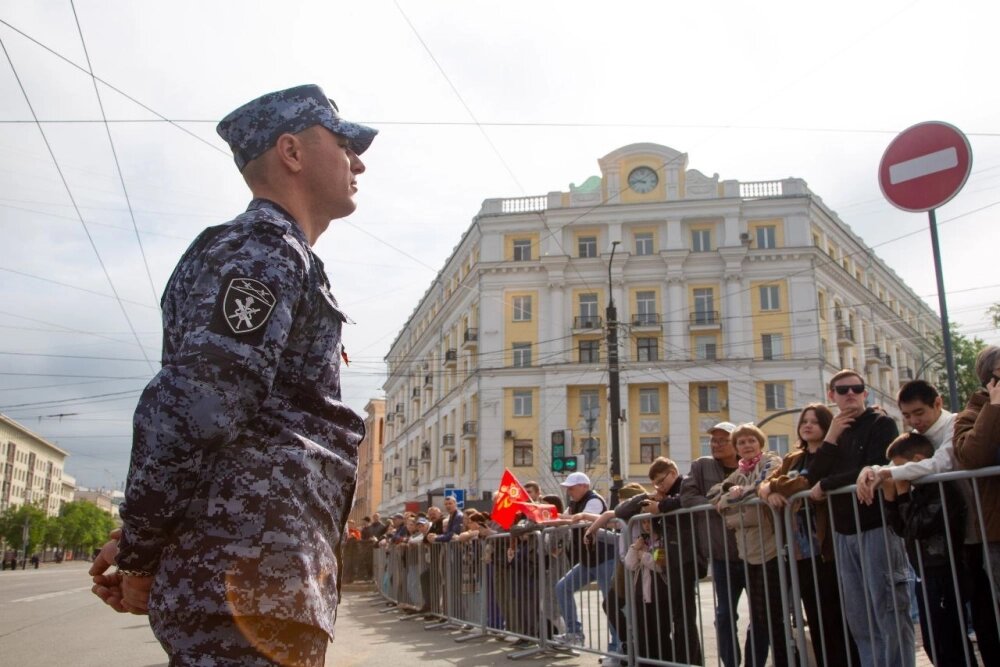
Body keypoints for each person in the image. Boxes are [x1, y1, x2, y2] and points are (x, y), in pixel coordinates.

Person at [88, 84, 376, 666]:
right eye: (344, 144)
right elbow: (194, 410)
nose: (358, 161)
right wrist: (143, 555)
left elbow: (227, 423)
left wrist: (150, 543)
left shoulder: (277, 252)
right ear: (291, 152)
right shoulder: (262, 249)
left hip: (257, 580)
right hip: (249, 584)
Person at [808, 369, 913, 667]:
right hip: (843, 532)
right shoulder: (835, 431)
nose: (850, 393)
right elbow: (812, 478)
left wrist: (829, 484)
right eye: (843, 390)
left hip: (878, 525)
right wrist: (830, 436)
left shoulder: (882, 423)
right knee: (859, 618)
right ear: (832, 396)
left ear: (865, 393)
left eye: (857, 388)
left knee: (889, 611)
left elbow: (877, 465)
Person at [758, 403, 858, 667]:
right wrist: (770, 490)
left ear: (826, 426)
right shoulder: (793, 458)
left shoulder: (832, 454)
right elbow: (767, 484)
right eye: (804, 420)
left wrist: (778, 488)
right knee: (814, 617)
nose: (807, 425)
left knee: (837, 616)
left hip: (827, 547)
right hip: (799, 551)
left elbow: (803, 483)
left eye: (815, 421)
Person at [681, 421, 768, 667]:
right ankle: (730, 663)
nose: (716, 444)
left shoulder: (754, 467)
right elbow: (687, 497)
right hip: (722, 555)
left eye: (723, 440)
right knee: (724, 615)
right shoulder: (702, 466)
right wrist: (720, 504)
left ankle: (754, 663)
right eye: (713, 440)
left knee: (761, 617)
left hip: (755, 553)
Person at [882, 432, 972, 665]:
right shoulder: (919, 486)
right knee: (933, 641)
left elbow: (917, 527)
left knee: (949, 641)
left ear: (919, 460)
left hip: (944, 568)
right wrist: (891, 500)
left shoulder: (940, 485)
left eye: (901, 467)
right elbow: (903, 529)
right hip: (926, 570)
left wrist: (902, 494)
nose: (899, 474)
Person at [711, 423, 787, 667]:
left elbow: (763, 490)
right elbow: (715, 496)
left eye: (751, 441)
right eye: (741, 442)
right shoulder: (740, 471)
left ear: (760, 442)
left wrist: (736, 502)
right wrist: (729, 497)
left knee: (774, 616)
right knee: (759, 616)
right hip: (749, 552)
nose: (747, 446)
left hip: (772, 549)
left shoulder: (770, 463)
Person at [617, 457, 703, 665]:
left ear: (673, 473)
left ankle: (689, 661)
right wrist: (647, 497)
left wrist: (661, 505)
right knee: (667, 623)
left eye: (662, 480)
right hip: (665, 569)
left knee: (683, 620)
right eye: (656, 483)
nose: (660, 486)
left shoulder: (685, 484)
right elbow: (621, 512)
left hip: (682, 559)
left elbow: (687, 501)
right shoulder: (647, 534)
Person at [953, 345, 1000, 664]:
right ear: (990, 379)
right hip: (997, 532)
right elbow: (972, 456)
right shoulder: (971, 414)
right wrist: (995, 407)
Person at [856, 379, 956, 505]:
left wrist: (887, 473)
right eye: (907, 416)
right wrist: (870, 471)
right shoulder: (915, 433)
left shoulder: (955, 423)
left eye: (919, 413)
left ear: (937, 403)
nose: (914, 421)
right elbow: (893, 466)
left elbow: (943, 462)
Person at [551, 472, 617, 650]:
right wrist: (546, 517)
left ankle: (617, 646)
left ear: (584, 486)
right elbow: (566, 519)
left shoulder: (594, 500)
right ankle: (574, 633)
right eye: (568, 488)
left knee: (609, 603)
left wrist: (558, 517)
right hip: (589, 560)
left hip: (605, 559)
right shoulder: (573, 504)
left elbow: (579, 519)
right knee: (562, 587)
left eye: (572, 488)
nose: (569, 492)